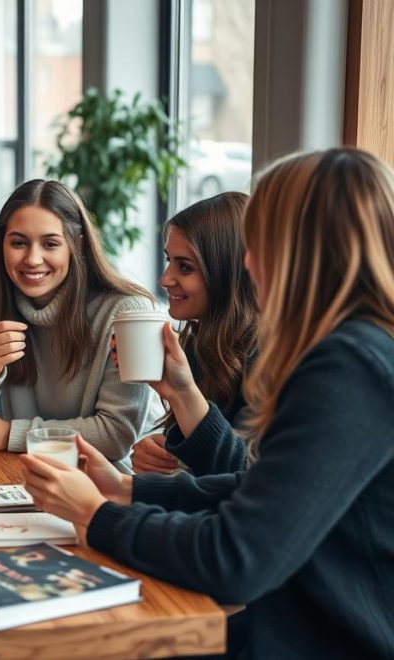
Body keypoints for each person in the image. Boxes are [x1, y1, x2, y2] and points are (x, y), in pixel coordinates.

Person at [21, 148, 394, 658]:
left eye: (259, 240)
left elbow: (235, 560)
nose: (247, 261)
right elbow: (258, 489)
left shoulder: (348, 368)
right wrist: (128, 489)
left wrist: (97, 514)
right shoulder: (360, 351)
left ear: (300, 249)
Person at [0, 179, 161, 471]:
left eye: (50, 244)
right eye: (18, 242)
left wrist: (11, 434)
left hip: (118, 480)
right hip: (35, 470)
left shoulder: (126, 310)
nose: (33, 259)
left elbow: (116, 437)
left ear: (77, 245)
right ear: (2, 244)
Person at [128, 192, 258, 475]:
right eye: (168, 261)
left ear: (226, 271)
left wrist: (181, 394)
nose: (165, 279)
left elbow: (250, 478)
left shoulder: (270, 358)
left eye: (184, 267)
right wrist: (157, 450)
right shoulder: (199, 344)